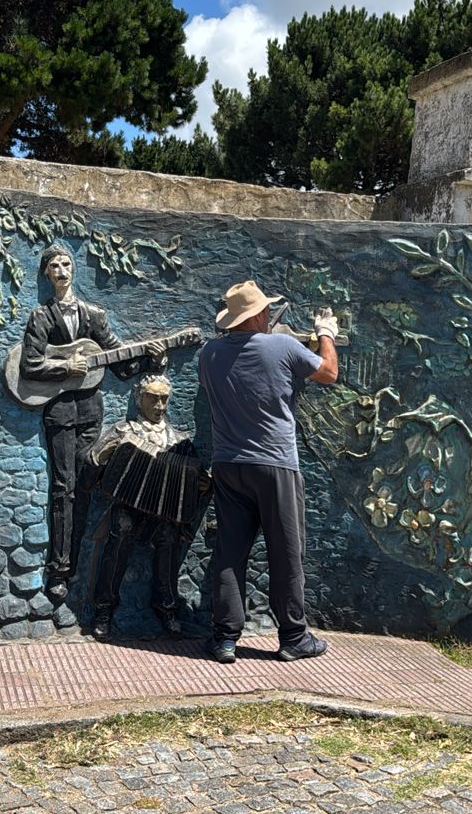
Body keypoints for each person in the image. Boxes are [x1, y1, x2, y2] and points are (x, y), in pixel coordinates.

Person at [197, 280, 339, 663]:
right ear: (260, 313)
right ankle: (293, 636)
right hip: (275, 463)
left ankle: (225, 638)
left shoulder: (208, 354)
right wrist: (326, 334)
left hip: (228, 465)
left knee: (229, 552)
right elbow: (328, 373)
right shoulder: (282, 345)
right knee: (286, 552)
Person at [20, 244, 163, 600]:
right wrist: (65, 367)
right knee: (62, 487)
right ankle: (59, 569)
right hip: (58, 409)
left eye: (67, 264)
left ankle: (79, 565)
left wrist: (151, 361)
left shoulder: (94, 315)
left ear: (74, 270)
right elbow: (28, 365)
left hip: (90, 410)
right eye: (54, 266)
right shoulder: (41, 317)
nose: (62, 271)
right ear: (46, 274)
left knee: (84, 483)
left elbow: (120, 363)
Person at [87, 374, 207, 642]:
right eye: (153, 399)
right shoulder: (125, 432)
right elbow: (93, 463)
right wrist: (106, 453)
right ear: (139, 399)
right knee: (122, 525)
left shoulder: (180, 441)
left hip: (162, 513)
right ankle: (104, 608)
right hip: (129, 508)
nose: (160, 406)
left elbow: (196, 482)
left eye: (164, 399)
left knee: (168, 533)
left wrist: (200, 482)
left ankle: (166, 606)